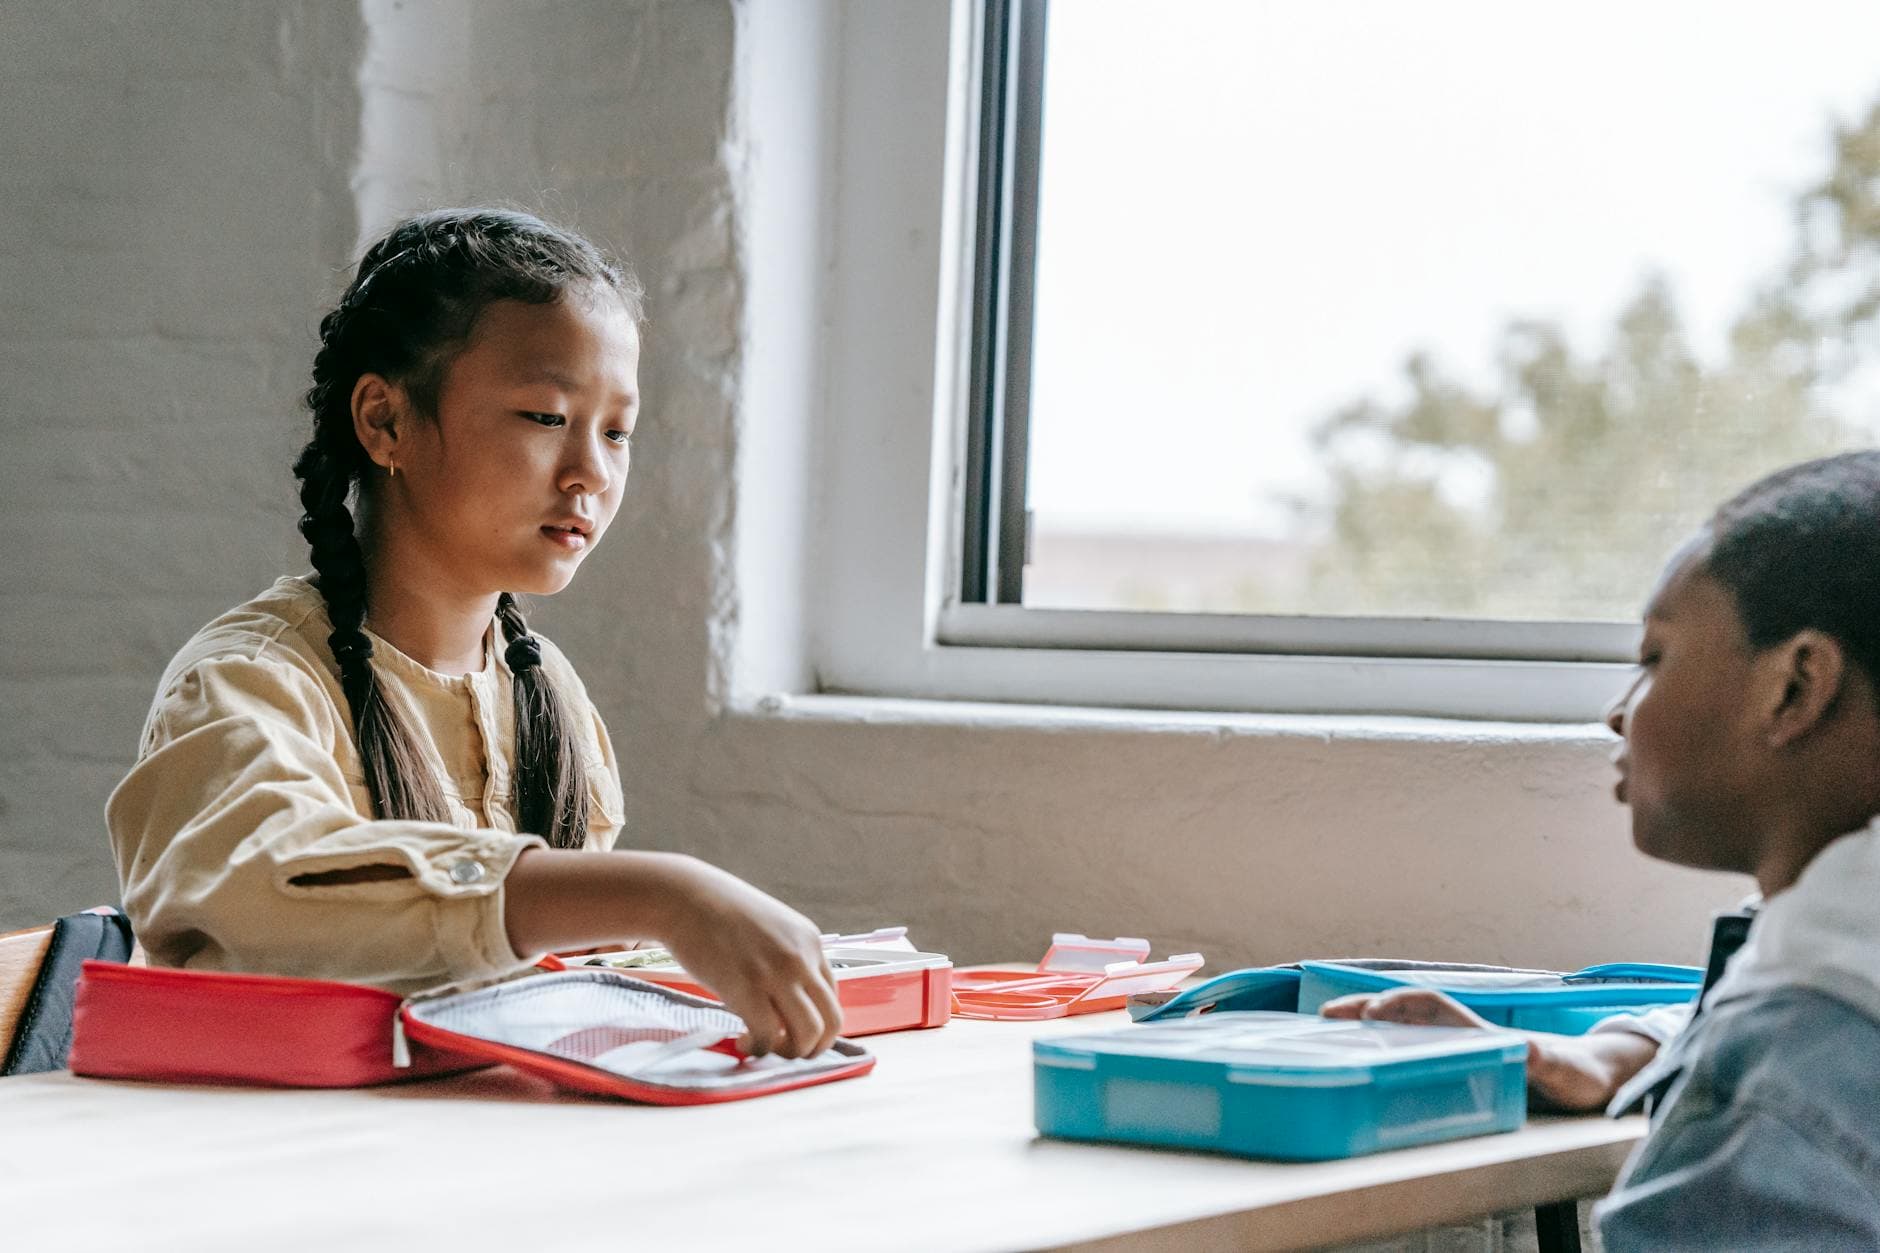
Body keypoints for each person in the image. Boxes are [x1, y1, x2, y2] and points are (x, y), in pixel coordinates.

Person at [106, 208, 841, 1058]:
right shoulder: (248, 683)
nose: (591, 474)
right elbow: (273, 892)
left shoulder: (543, 688)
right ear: (384, 420)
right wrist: (665, 893)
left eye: (616, 431)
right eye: (544, 416)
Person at [1325, 451, 1880, 1247]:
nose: (1619, 715)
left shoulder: (1776, 1108)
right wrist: (1619, 1053)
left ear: (1794, 688)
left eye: (1655, 658)